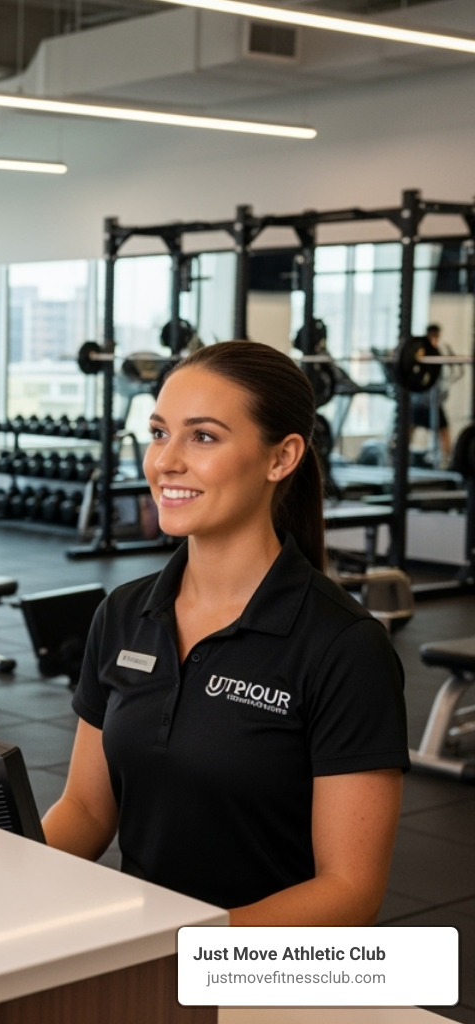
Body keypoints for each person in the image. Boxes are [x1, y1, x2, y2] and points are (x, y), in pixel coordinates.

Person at [43, 340, 407, 925]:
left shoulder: (343, 646)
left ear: (281, 457)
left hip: (264, 979)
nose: (165, 461)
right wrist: (2, 874)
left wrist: (181, 953)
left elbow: (348, 891)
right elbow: (86, 809)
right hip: (142, 967)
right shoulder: (123, 614)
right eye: (160, 432)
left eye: (203, 436)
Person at [409, 323, 452, 466]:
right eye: (433, 336)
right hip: (420, 400)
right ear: (428, 335)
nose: (436, 339)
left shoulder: (438, 352)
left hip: (434, 400)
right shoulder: (420, 351)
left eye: (437, 337)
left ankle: (448, 461)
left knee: (443, 431)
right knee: (409, 427)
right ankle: (401, 456)